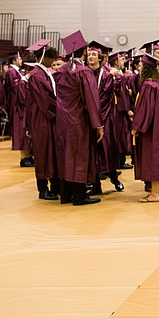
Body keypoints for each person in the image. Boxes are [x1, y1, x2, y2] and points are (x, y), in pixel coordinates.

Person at [55, 31, 104, 206]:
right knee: (79, 156)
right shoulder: (83, 72)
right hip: (78, 121)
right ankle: (79, 195)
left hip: (61, 121)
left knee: (66, 156)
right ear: (83, 51)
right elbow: (91, 100)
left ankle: (65, 194)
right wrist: (98, 124)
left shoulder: (60, 71)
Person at [132, 53, 159, 203]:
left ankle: (154, 194)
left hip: (151, 129)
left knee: (153, 157)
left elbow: (144, 110)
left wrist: (136, 127)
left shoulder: (148, 86)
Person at [86, 41, 124, 194]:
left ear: (100, 57)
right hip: (89, 119)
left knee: (107, 151)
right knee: (93, 153)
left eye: (94, 54)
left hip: (105, 118)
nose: (91, 57)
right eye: (89, 54)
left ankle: (114, 178)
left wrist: (97, 119)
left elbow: (104, 98)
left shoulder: (106, 75)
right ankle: (96, 186)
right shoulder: (84, 73)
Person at [25, 41, 61, 200]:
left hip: (48, 119)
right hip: (42, 119)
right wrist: (59, 111)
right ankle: (42, 189)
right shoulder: (37, 76)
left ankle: (54, 185)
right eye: (51, 59)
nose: (53, 62)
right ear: (43, 58)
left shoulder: (45, 73)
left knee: (52, 151)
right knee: (42, 153)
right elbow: (44, 102)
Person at [5, 52, 34, 167]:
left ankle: (28, 156)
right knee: (23, 135)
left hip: (25, 110)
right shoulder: (20, 81)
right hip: (22, 111)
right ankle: (24, 158)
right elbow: (22, 99)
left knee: (28, 136)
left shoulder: (24, 79)